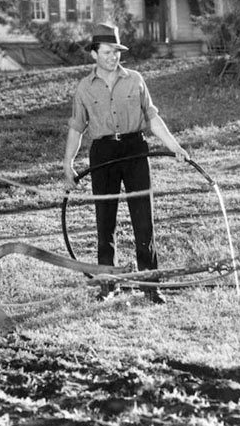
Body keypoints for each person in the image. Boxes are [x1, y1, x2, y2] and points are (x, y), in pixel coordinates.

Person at [63, 23, 190, 305]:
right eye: (108, 52)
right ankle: (108, 284)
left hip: (135, 149)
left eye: (117, 52)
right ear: (94, 54)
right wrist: (67, 163)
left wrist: (175, 146)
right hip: (103, 154)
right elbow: (76, 127)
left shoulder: (135, 79)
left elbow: (153, 118)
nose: (113, 57)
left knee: (143, 219)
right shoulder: (84, 88)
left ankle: (149, 284)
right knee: (104, 220)